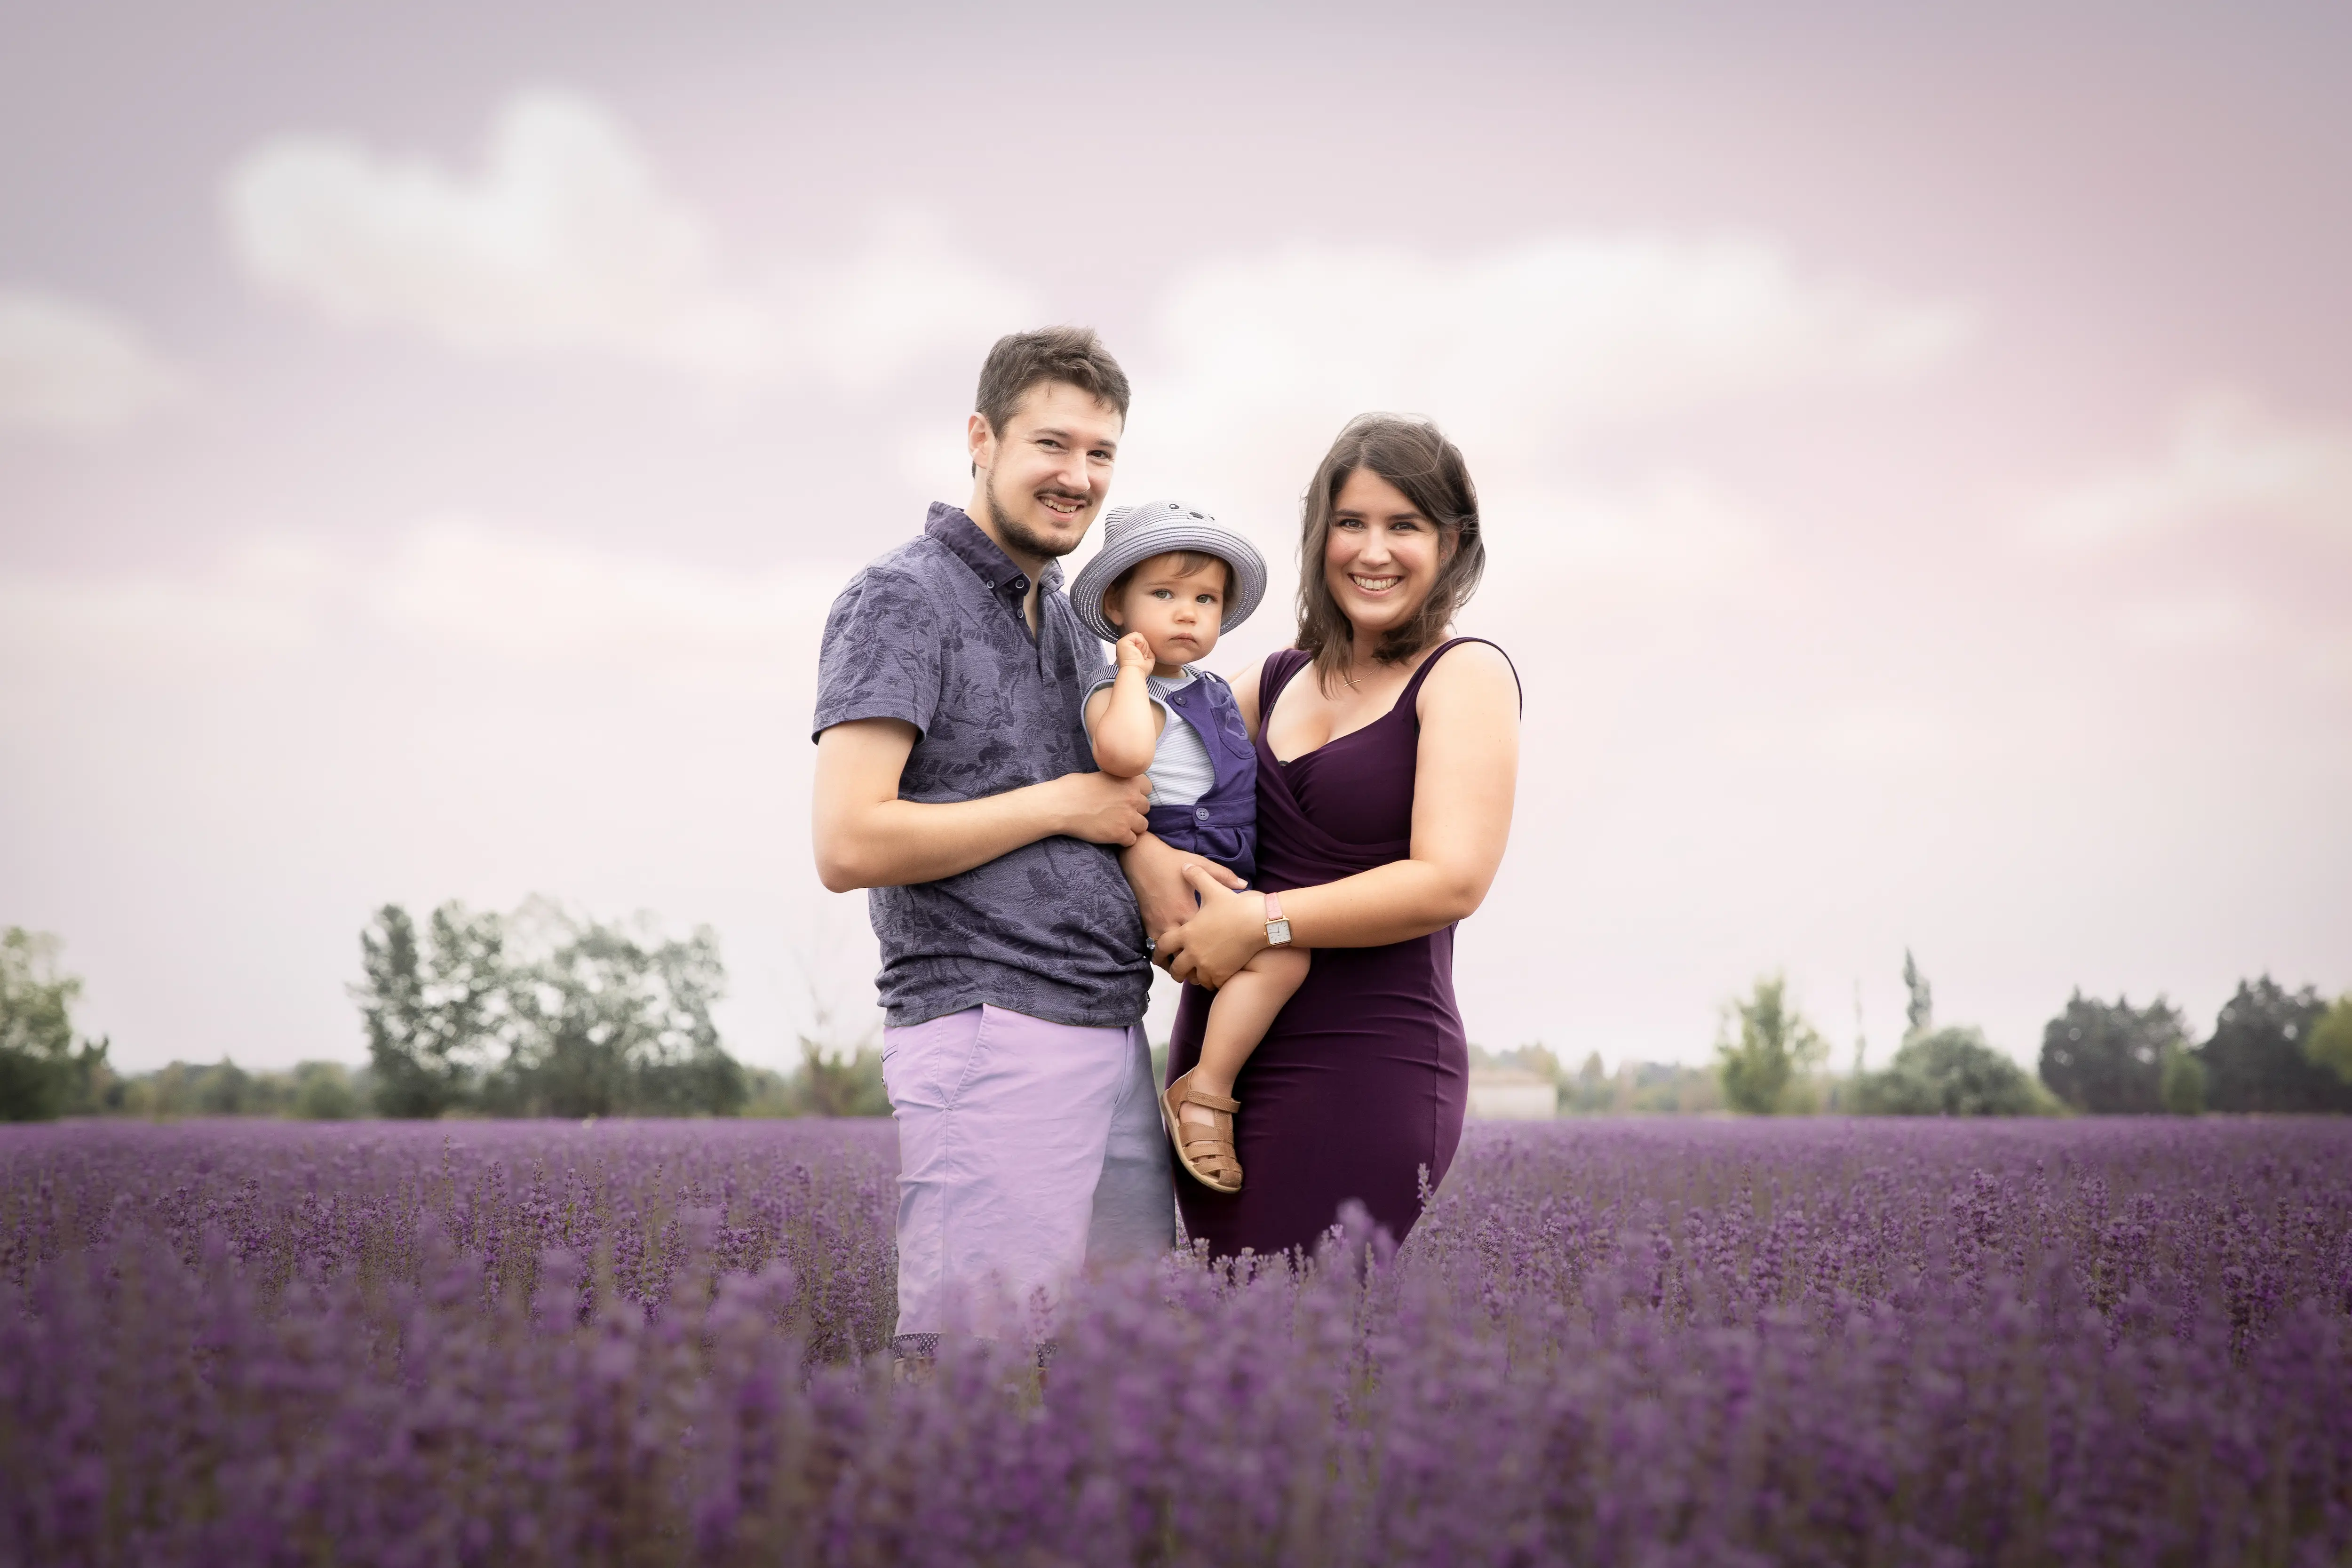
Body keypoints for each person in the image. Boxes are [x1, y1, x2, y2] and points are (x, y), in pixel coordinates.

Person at [808, 327, 1237, 1363]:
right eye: (1053, 445)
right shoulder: (901, 599)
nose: (1078, 477)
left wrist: (1146, 855)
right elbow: (848, 839)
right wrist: (1063, 804)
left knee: (1117, 1367)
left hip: (1107, 1023)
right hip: (988, 1026)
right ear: (980, 438)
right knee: (977, 1368)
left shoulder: (1079, 627)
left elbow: (1106, 803)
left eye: (1101, 455)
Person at [1146, 414, 1520, 1259]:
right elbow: (1146, 766)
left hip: (1371, 1059)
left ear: (1452, 543)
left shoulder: (1465, 675)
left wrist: (1258, 920)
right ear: (1320, 537)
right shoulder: (1272, 678)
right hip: (1220, 1070)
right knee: (1236, 1332)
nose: (1373, 551)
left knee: (1309, 1336)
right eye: (1351, 523)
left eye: (1405, 526)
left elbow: (1451, 882)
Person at [1069, 501, 1303, 1195]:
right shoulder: (1115, 691)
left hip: (1225, 863)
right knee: (1289, 951)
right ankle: (1205, 1089)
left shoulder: (1210, 689)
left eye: (1205, 599)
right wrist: (1132, 673)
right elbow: (1123, 753)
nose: (1187, 614)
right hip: (1181, 861)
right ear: (1117, 603)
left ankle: (1210, 1078)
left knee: (1280, 955)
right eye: (1164, 595)